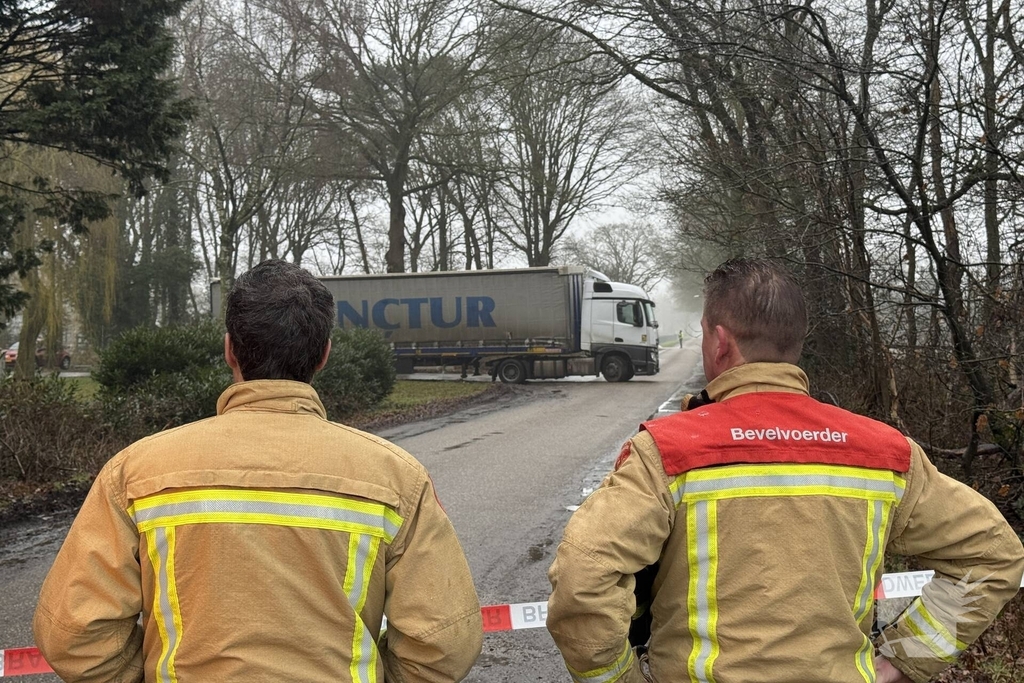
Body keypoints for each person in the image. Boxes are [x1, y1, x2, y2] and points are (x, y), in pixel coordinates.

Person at [546, 258, 1024, 683]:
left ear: (718, 340)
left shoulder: (667, 451)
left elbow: (582, 580)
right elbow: (994, 555)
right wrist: (903, 658)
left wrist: (618, 677)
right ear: (796, 342)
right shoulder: (887, 453)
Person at [33, 260, 483, 683]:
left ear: (230, 349)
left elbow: (74, 636)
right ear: (324, 354)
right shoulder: (395, 479)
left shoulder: (135, 474)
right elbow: (443, 645)